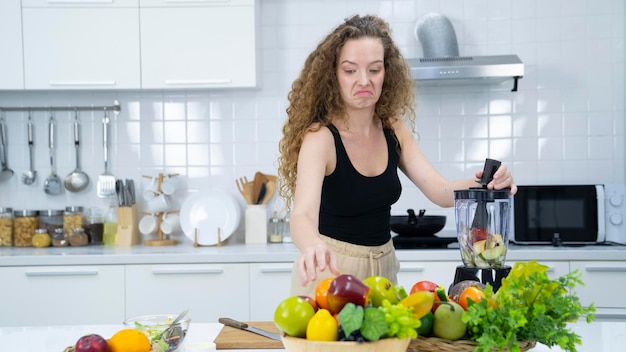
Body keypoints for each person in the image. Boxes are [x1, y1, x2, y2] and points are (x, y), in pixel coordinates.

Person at [277, 14, 517, 297]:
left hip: (385, 270)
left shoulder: (393, 129)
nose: (364, 80)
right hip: (331, 271)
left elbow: (440, 191)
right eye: (350, 70)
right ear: (333, 75)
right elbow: (301, 216)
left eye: (374, 70)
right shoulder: (321, 138)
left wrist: (488, 183)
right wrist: (313, 246)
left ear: (386, 73)